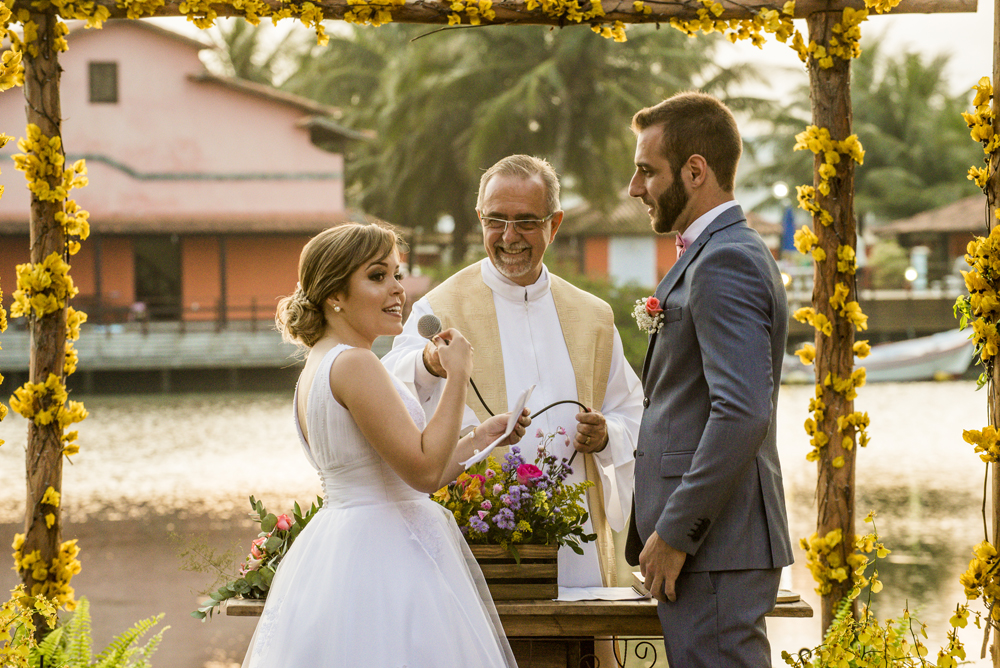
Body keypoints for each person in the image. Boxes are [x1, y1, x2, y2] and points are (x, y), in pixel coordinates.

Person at [242, 223, 528, 668]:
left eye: (398, 274)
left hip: (342, 547)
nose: (398, 289)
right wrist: (456, 375)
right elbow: (424, 473)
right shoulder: (356, 364)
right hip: (384, 559)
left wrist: (483, 435)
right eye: (378, 277)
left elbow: (400, 472)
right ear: (335, 293)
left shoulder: (318, 365)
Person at [383, 155, 642, 588]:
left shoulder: (594, 317)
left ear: (554, 224)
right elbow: (392, 390)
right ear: (479, 218)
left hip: (576, 532)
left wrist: (606, 434)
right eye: (496, 220)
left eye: (526, 222)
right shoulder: (440, 308)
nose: (508, 237)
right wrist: (429, 363)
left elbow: (632, 411)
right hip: (481, 534)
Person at [628, 92, 794, 666]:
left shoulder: (725, 260)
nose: (635, 187)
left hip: (713, 544)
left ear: (695, 170)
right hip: (713, 547)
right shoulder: (714, 254)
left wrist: (676, 532)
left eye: (647, 171)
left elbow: (743, 411)